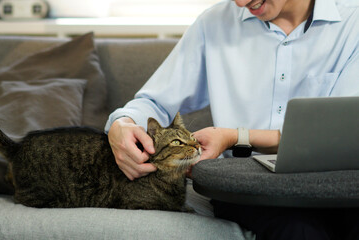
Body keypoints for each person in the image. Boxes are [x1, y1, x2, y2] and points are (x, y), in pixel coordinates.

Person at [105, 0, 359, 239]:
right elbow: (155, 103)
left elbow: (347, 130)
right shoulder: (214, 23)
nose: (240, 3)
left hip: (338, 182)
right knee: (298, 230)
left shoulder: (353, 21)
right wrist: (123, 123)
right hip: (247, 188)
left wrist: (236, 137)